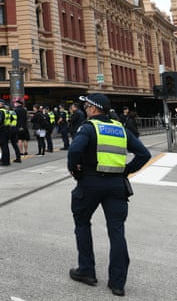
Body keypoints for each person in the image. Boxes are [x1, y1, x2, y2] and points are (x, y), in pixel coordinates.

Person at [68, 93, 151, 297]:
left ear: (95, 109)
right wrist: (126, 170)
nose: (85, 108)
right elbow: (144, 154)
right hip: (116, 185)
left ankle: (87, 270)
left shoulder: (89, 128)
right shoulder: (121, 129)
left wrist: (76, 172)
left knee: (82, 223)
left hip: (90, 182)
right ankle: (117, 283)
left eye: (87, 106)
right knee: (116, 231)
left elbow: (74, 151)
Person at [0, 99, 11, 166]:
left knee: (3, 145)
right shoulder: (6, 111)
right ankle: (6, 159)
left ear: (1, 104)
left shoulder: (0, 111)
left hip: (2, 129)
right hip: (7, 128)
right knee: (5, 146)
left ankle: (5, 161)